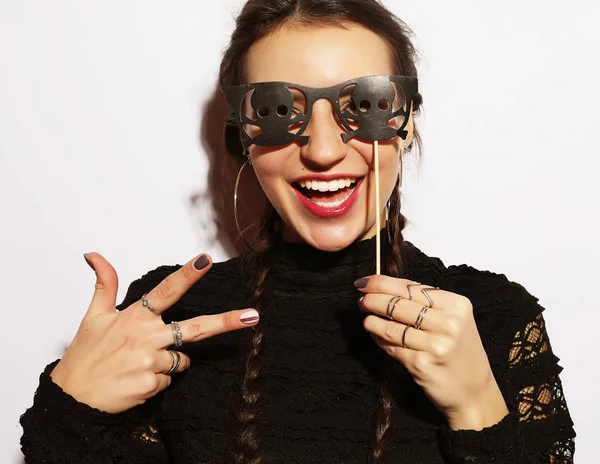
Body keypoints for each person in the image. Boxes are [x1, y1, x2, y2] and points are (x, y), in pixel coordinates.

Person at [20, 0, 576, 462]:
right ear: (244, 139)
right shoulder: (173, 323)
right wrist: (70, 409)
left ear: (406, 124)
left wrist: (476, 406)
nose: (324, 150)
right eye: (278, 109)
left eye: (366, 104)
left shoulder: (495, 318)